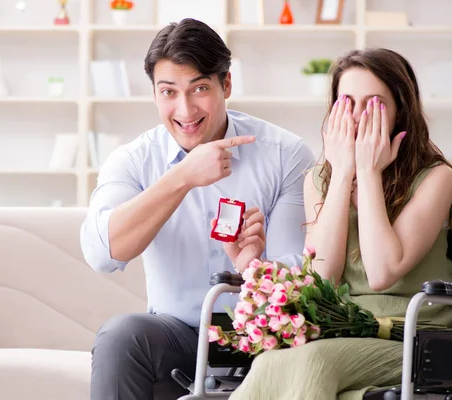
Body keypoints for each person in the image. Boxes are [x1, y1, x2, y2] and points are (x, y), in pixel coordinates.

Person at [79, 18, 316, 400]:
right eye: (168, 92)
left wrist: (252, 266)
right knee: (122, 336)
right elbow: (101, 254)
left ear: (226, 84)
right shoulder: (135, 160)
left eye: (199, 88)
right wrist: (182, 177)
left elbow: (302, 275)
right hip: (178, 335)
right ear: (155, 94)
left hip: (262, 336)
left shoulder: (286, 155)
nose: (185, 109)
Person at [226, 48, 452, 400]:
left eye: (373, 104)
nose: (357, 117)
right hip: (344, 333)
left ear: (401, 110)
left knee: (312, 362)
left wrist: (369, 172)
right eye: (347, 103)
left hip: (416, 335)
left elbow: (382, 272)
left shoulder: (436, 177)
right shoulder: (319, 180)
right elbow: (324, 276)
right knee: (268, 363)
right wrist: (342, 173)